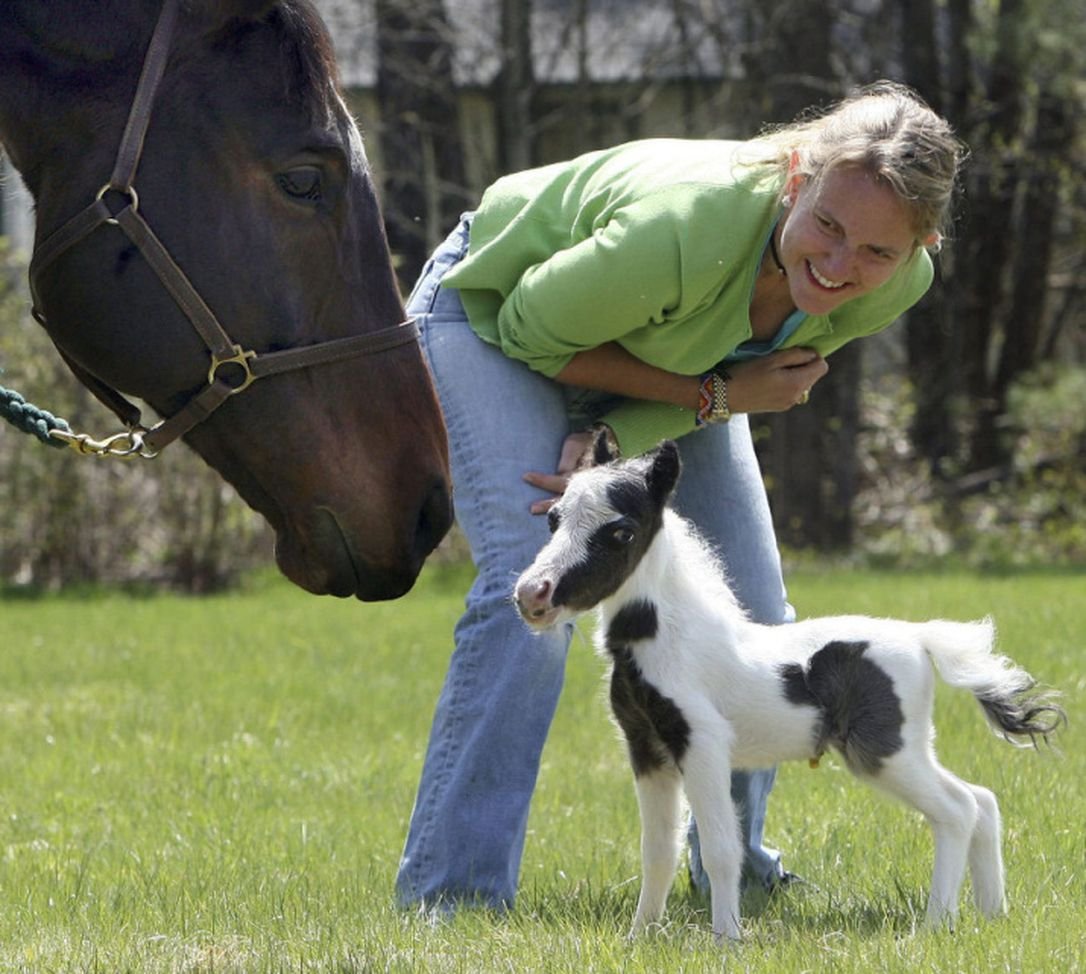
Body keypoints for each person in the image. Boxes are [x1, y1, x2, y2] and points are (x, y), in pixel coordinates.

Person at [394, 80, 964, 911]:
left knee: (759, 614)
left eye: (877, 253)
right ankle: (455, 897)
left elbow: (733, 378)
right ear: (797, 177)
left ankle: (735, 873)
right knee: (534, 589)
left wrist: (632, 426)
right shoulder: (684, 229)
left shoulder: (901, 284)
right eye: (829, 227)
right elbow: (528, 329)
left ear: (919, 246)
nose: (842, 268)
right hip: (491, 317)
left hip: (673, 354)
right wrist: (712, 400)